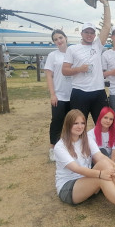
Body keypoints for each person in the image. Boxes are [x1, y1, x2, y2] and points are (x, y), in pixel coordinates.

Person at [62, 0, 110, 124]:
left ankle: (101, 145)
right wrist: (79, 69)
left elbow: (106, 26)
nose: (89, 35)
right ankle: (78, 144)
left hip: (98, 91)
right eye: (87, 32)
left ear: (94, 35)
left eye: (92, 33)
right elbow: (65, 70)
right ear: (81, 33)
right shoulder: (72, 49)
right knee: (78, 124)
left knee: (103, 124)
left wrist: (106, 4)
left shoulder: (97, 45)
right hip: (80, 92)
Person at [45, 29, 72, 161]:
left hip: (74, 95)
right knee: (57, 122)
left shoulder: (73, 52)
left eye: (60, 38)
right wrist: (52, 94)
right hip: (59, 95)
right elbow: (49, 75)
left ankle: (69, 146)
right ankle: (53, 148)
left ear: (66, 38)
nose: (59, 41)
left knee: (72, 122)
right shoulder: (53, 56)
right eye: (55, 39)